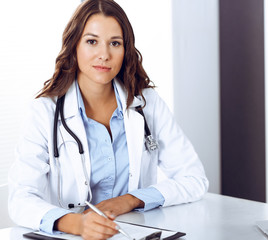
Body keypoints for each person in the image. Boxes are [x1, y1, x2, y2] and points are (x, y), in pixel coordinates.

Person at [8, 0, 209, 239]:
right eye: (92, 41)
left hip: (132, 232)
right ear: (74, 46)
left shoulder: (147, 103)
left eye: (115, 43)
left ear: (126, 50)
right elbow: (21, 198)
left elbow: (194, 179)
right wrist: (75, 224)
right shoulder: (44, 112)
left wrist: (130, 200)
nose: (104, 54)